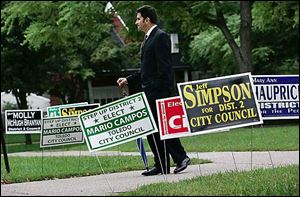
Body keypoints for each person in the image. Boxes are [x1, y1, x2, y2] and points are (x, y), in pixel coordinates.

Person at [117, 5, 190, 176]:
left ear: (147, 20)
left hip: (158, 92)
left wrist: (159, 91)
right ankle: (162, 165)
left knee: (163, 128)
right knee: (152, 130)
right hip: (149, 91)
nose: (136, 22)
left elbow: (165, 68)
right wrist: (128, 79)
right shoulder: (148, 39)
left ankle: (181, 158)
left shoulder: (160, 37)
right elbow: (147, 69)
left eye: (138, 19)